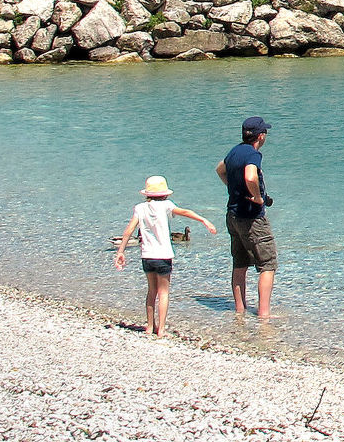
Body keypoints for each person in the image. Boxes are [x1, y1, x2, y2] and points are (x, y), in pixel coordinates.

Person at [113, 176, 216, 336]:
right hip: (163, 256)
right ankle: (161, 329)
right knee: (163, 293)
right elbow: (185, 212)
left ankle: (149, 327)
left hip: (147, 257)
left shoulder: (140, 208)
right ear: (165, 194)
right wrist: (204, 220)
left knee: (151, 291)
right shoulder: (167, 205)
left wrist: (121, 252)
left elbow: (128, 231)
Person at [218, 115, 279, 319]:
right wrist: (257, 197)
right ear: (260, 136)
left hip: (233, 215)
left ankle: (240, 310)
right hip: (251, 218)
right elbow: (250, 176)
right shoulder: (253, 155)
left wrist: (233, 187)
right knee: (268, 264)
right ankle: (263, 314)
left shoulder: (235, 151)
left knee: (240, 263)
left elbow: (220, 170)